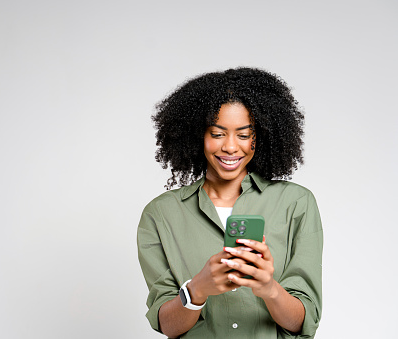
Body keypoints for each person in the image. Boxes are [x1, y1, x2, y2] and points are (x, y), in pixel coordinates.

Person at [137, 67, 323, 338]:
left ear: (260, 137)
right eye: (217, 133)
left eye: (244, 135)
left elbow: (304, 322)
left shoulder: (296, 203)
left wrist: (269, 289)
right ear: (197, 135)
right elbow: (167, 325)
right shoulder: (161, 214)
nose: (231, 147)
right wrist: (197, 290)